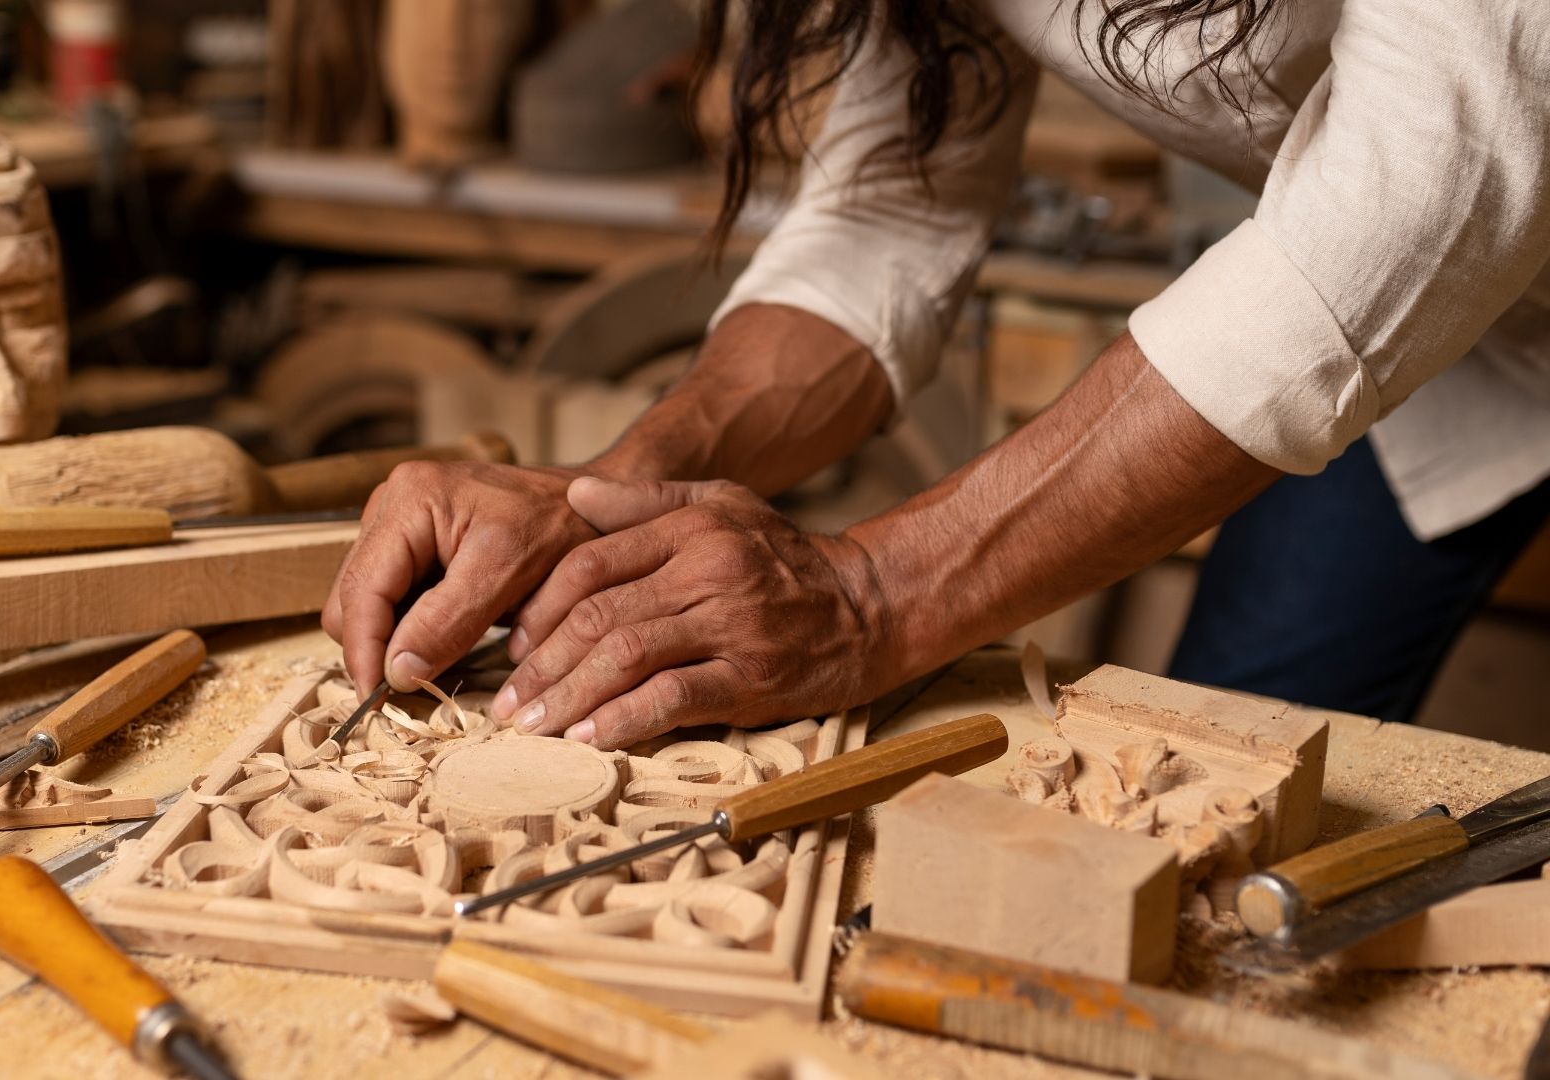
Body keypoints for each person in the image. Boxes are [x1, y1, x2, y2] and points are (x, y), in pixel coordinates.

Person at [324, 0, 1550, 747]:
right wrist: (603, 492)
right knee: (1235, 754)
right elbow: (888, 220)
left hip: (1427, 253)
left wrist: (873, 596)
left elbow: (1413, 196)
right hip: (1468, 351)